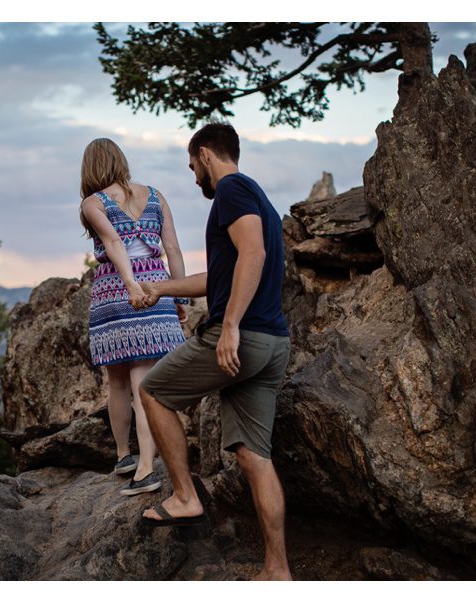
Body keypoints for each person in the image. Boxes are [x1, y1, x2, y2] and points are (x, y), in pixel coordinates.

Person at [126, 123, 292, 580]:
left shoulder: (231, 190)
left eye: (191, 165)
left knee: (154, 391)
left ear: (204, 155)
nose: (193, 174)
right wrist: (160, 288)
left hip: (244, 337)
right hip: (273, 343)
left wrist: (230, 326)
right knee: (254, 456)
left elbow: (253, 254)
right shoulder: (258, 198)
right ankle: (277, 570)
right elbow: (220, 278)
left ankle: (185, 496)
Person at [78, 137, 189, 497]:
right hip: (157, 287)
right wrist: (179, 294)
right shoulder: (155, 195)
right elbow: (172, 248)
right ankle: (141, 463)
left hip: (115, 292)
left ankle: (132, 460)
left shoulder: (93, 203)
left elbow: (113, 243)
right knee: (145, 381)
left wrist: (129, 285)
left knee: (118, 383)